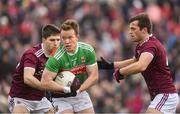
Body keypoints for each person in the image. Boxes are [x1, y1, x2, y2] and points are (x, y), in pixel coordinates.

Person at [98, 13, 179, 114]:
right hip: (160, 95)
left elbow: (141, 66)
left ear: (144, 30)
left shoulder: (150, 45)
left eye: (133, 29)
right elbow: (134, 62)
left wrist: (121, 72)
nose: (130, 32)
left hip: (165, 94)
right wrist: (111, 65)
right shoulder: (142, 45)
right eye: (130, 29)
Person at [41, 19, 99, 114]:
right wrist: (66, 89)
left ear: (77, 37)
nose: (66, 41)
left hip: (80, 94)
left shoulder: (88, 50)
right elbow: (44, 82)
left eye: (70, 37)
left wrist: (79, 90)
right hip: (60, 98)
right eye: (63, 38)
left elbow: (94, 77)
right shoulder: (56, 57)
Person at [8, 24, 61, 113]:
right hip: (20, 98)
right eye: (52, 40)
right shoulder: (33, 54)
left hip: (40, 100)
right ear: (44, 40)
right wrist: (45, 86)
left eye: (58, 40)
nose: (56, 43)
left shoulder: (58, 56)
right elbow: (28, 78)